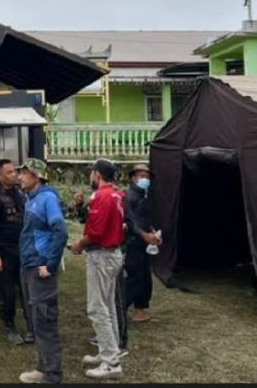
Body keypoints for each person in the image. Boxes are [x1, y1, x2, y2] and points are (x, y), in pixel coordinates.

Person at [70, 158, 125, 381]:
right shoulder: (117, 194)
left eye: (92, 173)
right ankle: (109, 351)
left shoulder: (102, 197)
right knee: (108, 306)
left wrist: (78, 244)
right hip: (113, 253)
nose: (90, 177)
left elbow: (95, 233)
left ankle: (111, 362)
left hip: (102, 255)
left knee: (97, 308)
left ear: (97, 174)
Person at [16, 158, 68, 385]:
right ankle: (43, 368)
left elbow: (61, 231)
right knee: (37, 321)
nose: (20, 177)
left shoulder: (47, 199)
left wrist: (51, 264)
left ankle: (52, 375)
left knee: (45, 322)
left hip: (40, 269)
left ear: (36, 176)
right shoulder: (31, 199)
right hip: (28, 267)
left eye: (24, 173)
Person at [0, 158, 34, 345]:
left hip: (24, 248)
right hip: (6, 250)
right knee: (7, 292)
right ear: (0, 175)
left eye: (14, 171)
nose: (14, 174)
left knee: (27, 288)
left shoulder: (22, 193)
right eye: (9, 172)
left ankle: (31, 327)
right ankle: (9, 325)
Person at [123, 163, 162, 323]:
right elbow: (130, 223)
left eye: (147, 177)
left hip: (144, 245)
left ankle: (139, 311)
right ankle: (117, 308)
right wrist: (144, 235)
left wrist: (152, 232)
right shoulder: (129, 197)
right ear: (133, 178)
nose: (144, 179)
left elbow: (144, 221)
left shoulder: (143, 196)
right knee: (135, 279)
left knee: (145, 278)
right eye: (141, 176)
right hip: (134, 244)